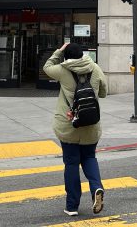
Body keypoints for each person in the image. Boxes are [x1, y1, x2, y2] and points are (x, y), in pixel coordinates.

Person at [43, 42, 108, 217]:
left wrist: (59, 51)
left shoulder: (62, 70)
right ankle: (97, 188)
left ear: (66, 56)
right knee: (89, 157)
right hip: (90, 125)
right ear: (82, 54)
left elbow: (47, 66)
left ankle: (72, 206)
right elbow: (104, 92)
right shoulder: (94, 68)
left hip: (69, 125)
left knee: (71, 163)